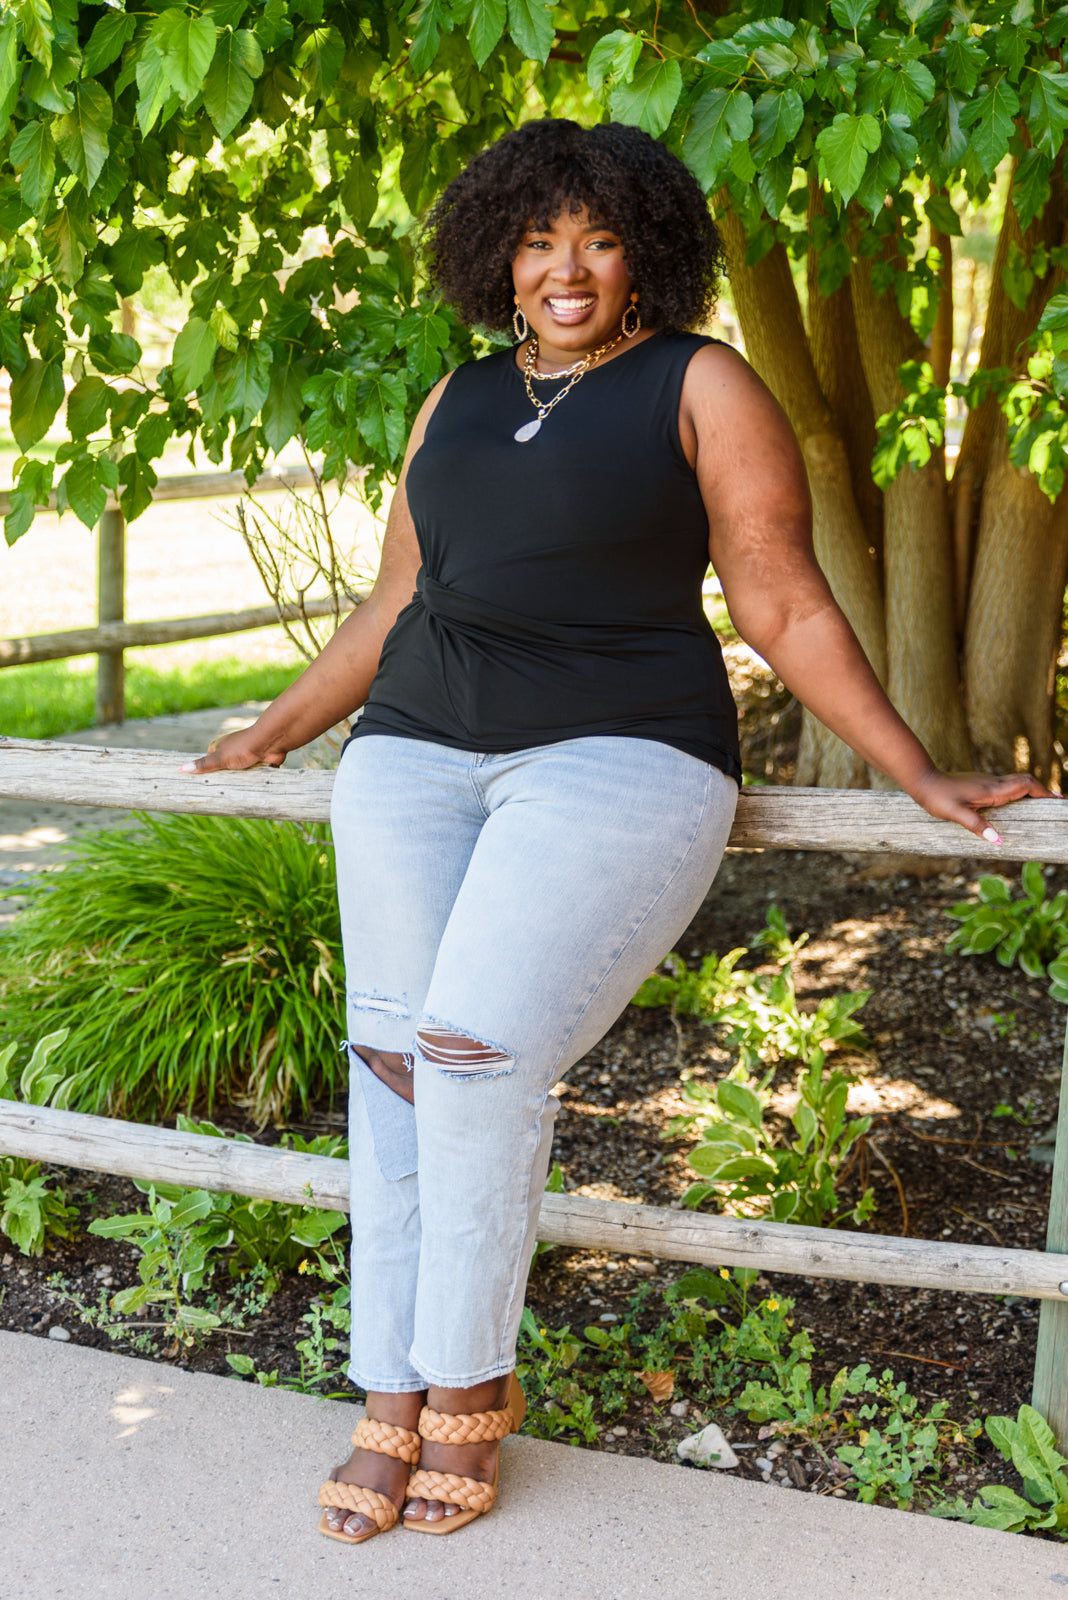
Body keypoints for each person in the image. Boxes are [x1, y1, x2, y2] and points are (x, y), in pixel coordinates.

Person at [184, 118, 1046, 1543]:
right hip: (411, 758)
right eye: (537, 240)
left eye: (596, 237)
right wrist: (281, 725)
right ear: (498, 257)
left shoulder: (699, 383)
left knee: (470, 1052)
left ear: (645, 249)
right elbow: (397, 597)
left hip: (618, 755)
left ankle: (465, 1385)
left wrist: (920, 770)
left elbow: (782, 599)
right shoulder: (452, 397)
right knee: (393, 1061)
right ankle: (387, 1397)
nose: (566, 268)